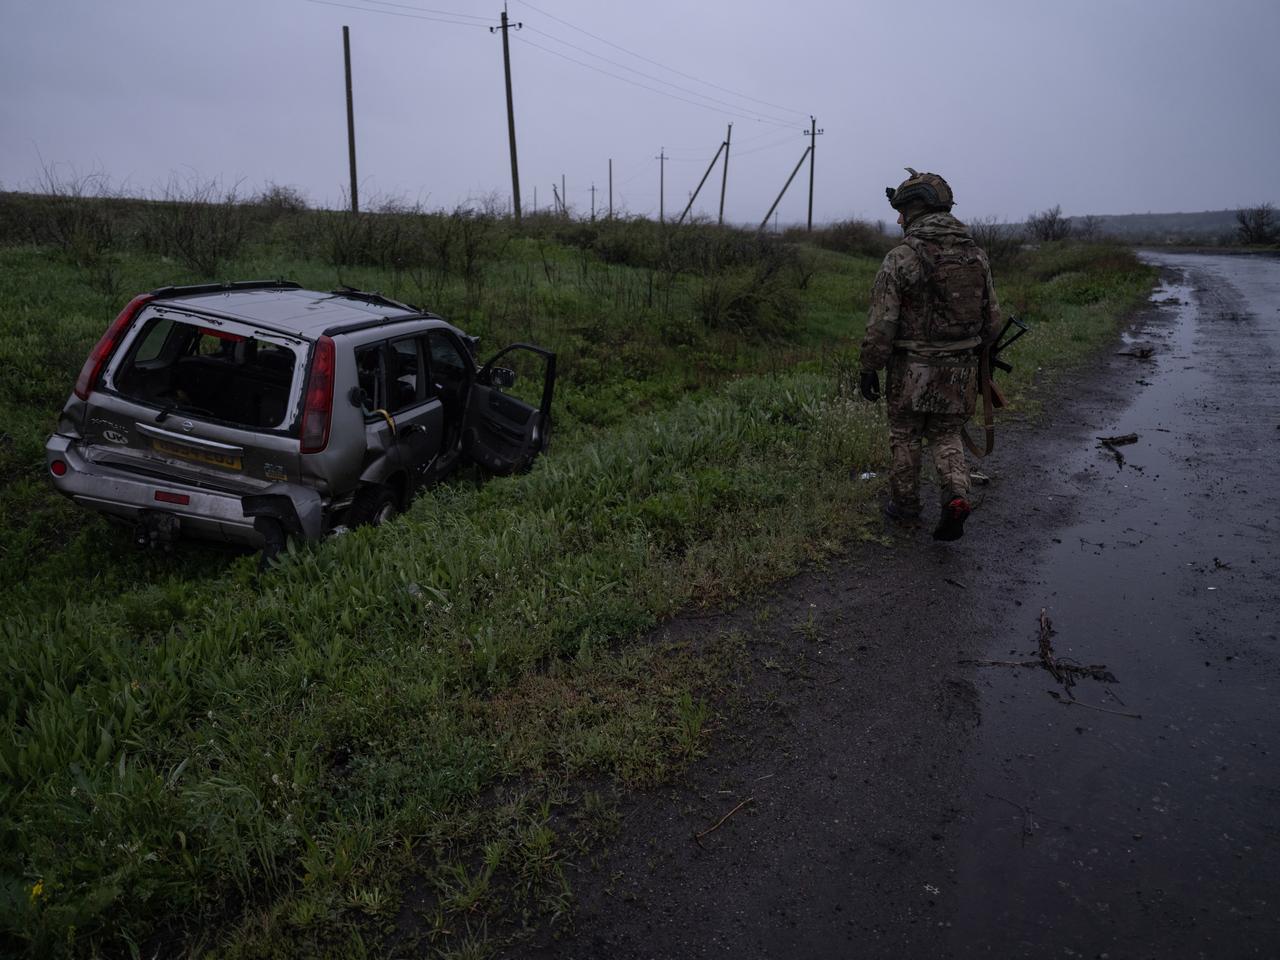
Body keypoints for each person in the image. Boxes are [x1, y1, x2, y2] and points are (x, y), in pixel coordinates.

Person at [858, 168, 1002, 541]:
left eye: (902, 210)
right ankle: (955, 495)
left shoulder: (900, 257)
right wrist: (978, 360)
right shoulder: (976, 257)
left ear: (917, 209)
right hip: (960, 369)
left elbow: (882, 323)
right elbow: (992, 320)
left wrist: (869, 367)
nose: (898, 218)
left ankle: (905, 509)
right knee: (947, 434)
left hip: (910, 369)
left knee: (905, 436)